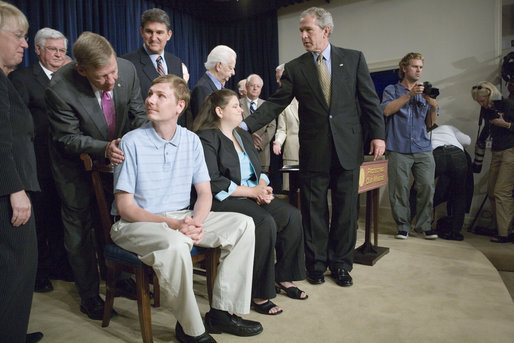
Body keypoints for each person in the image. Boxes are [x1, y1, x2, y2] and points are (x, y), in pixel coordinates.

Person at [242, 7, 385, 287]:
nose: (304, 36)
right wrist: (245, 126)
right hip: (314, 150)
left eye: (308, 30)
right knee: (314, 209)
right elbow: (275, 103)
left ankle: (342, 265)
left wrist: (378, 135)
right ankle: (316, 264)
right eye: (301, 31)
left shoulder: (353, 59)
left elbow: (369, 100)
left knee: (346, 211)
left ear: (325, 30)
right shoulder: (296, 68)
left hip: (347, 148)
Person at [112, 75, 262, 342]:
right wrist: (174, 225)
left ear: (180, 106)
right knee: (176, 243)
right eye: (150, 93)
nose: (150, 100)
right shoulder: (131, 142)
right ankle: (192, 329)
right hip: (137, 223)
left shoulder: (191, 140)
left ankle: (222, 312)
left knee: (243, 224)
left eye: (160, 96)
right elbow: (125, 208)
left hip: (182, 217)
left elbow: (204, 193)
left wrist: (197, 222)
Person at [46, 32, 147, 320]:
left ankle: (120, 278)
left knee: (113, 221)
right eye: (102, 77)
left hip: (113, 160)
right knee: (80, 231)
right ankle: (90, 296)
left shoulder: (126, 69)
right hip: (73, 168)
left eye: (113, 71)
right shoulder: (60, 88)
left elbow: (137, 114)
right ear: (81, 70)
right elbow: (67, 138)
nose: (112, 81)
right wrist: (105, 148)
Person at [194, 89, 307, 316]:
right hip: (223, 199)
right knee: (264, 222)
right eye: (235, 106)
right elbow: (214, 181)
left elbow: (260, 169)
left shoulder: (243, 135)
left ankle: (283, 276)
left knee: (291, 216)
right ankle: (258, 292)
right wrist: (253, 191)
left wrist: (263, 187)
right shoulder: (206, 138)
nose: (240, 109)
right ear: (219, 111)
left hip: (253, 193)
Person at [9, 27, 73, 293]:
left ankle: (60, 264)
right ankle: (39, 272)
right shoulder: (22, 79)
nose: (58, 55)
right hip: (38, 163)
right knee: (40, 222)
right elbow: (17, 125)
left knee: (60, 219)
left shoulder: (71, 79)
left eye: (61, 50)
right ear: (37, 50)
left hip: (67, 163)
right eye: (52, 50)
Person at [0, 3, 44, 342]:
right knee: (16, 270)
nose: (24, 44)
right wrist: (15, 189)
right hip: (7, 192)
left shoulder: (6, 81)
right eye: (18, 36)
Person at [381, 52, 438, 240]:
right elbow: (386, 111)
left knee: (427, 186)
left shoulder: (425, 93)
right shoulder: (392, 90)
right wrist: (409, 96)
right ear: (404, 68)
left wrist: (434, 106)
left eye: (421, 67)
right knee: (399, 189)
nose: (419, 70)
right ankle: (403, 226)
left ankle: (424, 225)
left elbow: (430, 124)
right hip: (398, 147)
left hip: (423, 147)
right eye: (415, 66)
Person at [122, 8, 187, 127]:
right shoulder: (127, 63)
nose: (153, 37)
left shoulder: (176, 62)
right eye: (149, 32)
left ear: (169, 35)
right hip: (142, 134)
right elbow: (126, 109)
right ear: (141, 32)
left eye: (159, 32)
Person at [471, 81, 514, 243]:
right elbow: (485, 133)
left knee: (502, 191)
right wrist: (477, 162)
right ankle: (501, 228)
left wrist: (506, 124)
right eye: (479, 101)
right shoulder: (488, 110)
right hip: (497, 151)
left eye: (482, 100)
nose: (481, 104)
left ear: (491, 94)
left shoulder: (508, 105)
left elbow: (503, 125)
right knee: (492, 191)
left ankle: (505, 233)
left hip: (511, 150)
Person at [430, 125, 471, 241]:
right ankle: (455, 232)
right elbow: (467, 140)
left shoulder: (427, 133)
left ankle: (409, 225)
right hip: (457, 155)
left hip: (436, 154)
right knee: (460, 195)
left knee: (419, 189)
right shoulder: (448, 127)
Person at [240, 74, 276, 172]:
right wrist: (249, 141)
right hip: (243, 151)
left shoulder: (267, 105)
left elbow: (272, 127)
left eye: (258, 86)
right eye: (252, 85)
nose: (255, 88)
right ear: (246, 87)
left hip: (262, 153)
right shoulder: (237, 104)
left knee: (263, 182)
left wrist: (259, 145)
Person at [272, 64, 299, 191]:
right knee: (291, 191)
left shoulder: (310, 96)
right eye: (276, 78)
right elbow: (282, 129)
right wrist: (278, 142)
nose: (277, 81)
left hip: (312, 151)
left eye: (279, 78)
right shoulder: (284, 102)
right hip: (291, 153)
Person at [191, 45, 236, 121]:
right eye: (230, 68)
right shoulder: (203, 88)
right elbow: (204, 123)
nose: (233, 73)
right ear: (219, 66)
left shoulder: (217, 87)